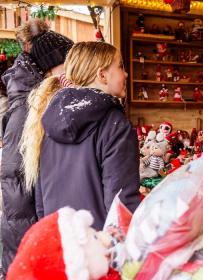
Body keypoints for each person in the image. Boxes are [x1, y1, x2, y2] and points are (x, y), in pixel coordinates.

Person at [20, 41, 141, 230]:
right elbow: (121, 207)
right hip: (100, 250)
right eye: (120, 67)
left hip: (62, 244)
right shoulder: (115, 124)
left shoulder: (49, 119)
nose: (125, 74)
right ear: (102, 75)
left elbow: (41, 201)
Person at [0, 18, 73, 276]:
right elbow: (14, 177)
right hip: (24, 229)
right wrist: (36, 234)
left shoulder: (43, 100)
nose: (74, 71)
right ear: (50, 67)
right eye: (69, 63)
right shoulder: (26, 108)